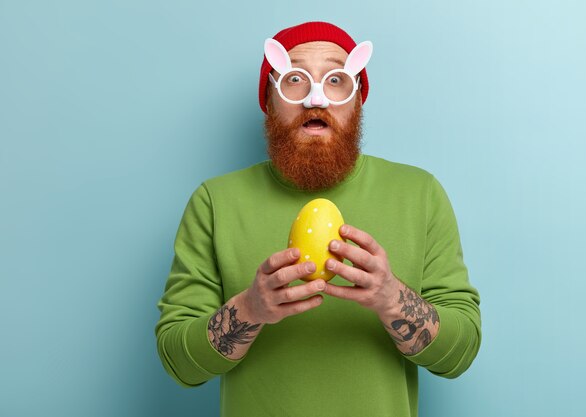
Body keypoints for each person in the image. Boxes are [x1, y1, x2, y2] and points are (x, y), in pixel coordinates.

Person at [155, 21, 481, 417]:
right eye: (294, 79)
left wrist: (391, 298)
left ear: (358, 98)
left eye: (335, 79)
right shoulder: (215, 202)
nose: (315, 99)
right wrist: (251, 308)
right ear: (269, 101)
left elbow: (459, 355)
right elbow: (179, 364)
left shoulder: (420, 194)